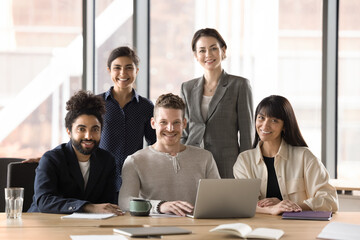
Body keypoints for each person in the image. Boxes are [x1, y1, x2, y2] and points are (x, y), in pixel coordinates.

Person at [233, 95, 339, 215]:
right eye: (261, 118)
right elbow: (244, 203)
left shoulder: (304, 157)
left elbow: (330, 200)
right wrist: (272, 209)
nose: (265, 125)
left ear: (284, 126)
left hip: (297, 227)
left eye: (274, 120)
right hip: (258, 228)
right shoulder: (244, 161)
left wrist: (290, 206)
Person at [118, 93, 220, 216]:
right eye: (163, 122)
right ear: (153, 123)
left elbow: (218, 199)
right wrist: (160, 205)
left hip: (196, 229)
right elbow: (124, 202)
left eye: (176, 122)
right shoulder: (134, 161)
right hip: (153, 230)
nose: (170, 128)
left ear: (184, 124)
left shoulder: (205, 158)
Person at [28, 90, 124, 215]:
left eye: (95, 129)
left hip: (86, 226)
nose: (88, 136)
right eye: (81, 129)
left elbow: (107, 203)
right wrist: (88, 207)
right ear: (69, 131)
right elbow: (44, 201)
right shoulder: (52, 159)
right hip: (43, 224)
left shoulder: (106, 160)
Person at [181, 28, 253, 178]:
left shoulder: (240, 85)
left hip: (228, 165)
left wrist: (245, 170)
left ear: (223, 50)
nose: (208, 55)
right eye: (202, 50)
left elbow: (247, 135)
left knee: (226, 202)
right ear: (195, 55)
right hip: (192, 163)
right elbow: (184, 132)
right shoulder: (187, 88)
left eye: (213, 48)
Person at [99, 46, 156, 193]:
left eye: (129, 68)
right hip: (100, 179)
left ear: (136, 71)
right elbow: (81, 138)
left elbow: (155, 143)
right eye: (117, 68)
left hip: (134, 179)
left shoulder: (146, 106)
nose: (123, 73)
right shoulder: (96, 103)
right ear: (109, 70)